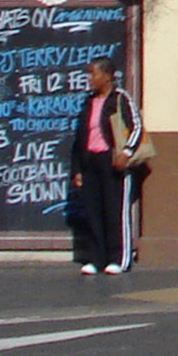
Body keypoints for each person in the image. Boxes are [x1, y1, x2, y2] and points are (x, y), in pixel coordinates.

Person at [66, 58, 144, 275]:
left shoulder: (120, 99)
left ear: (108, 76)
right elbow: (80, 137)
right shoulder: (89, 102)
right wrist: (77, 169)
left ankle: (119, 258)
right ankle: (95, 258)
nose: (90, 79)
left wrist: (126, 152)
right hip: (91, 161)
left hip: (113, 162)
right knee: (93, 211)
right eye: (89, 74)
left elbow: (137, 127)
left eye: (94, 74)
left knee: (114, 211)